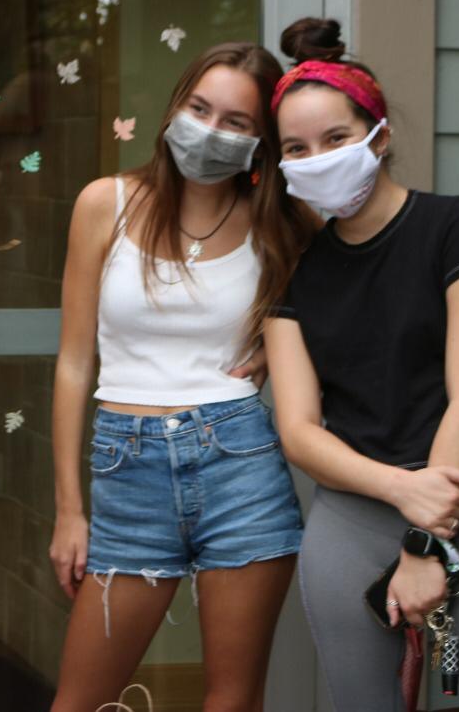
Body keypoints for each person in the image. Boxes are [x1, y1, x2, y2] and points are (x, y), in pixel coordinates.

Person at [263, 18, 459, 711]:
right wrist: (402, 495)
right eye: (297, 148)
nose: (317, 158)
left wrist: (423, 543)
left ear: (380, 135)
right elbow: (301, 432)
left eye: (336, 139)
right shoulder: (296, 274)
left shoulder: (457, 228)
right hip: (352, 518)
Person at [48, 41, 318, 712]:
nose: (209, 131)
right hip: (125, 466)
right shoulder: (104, 203)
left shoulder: (282, 224)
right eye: (199, 108)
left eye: (235, 121)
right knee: (78, 702)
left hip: (240, 462)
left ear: (262, 142)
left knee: (232, 702)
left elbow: (356, 306)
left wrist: (280, 346)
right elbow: (75, 362)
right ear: (174, 108)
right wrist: (68, 510)